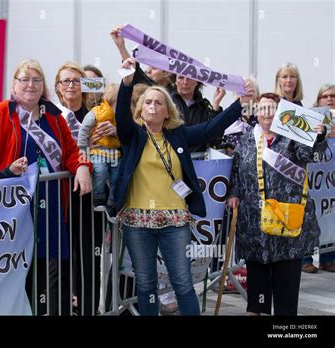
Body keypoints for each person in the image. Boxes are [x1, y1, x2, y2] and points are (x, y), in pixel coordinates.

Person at [115, 58, 252, 316]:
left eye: (159, 102)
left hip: (175, 222)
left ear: (168, 111)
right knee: (146, 285)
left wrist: (240, 104)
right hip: (137, 222)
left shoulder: (179, 135)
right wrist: (126, 82)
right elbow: (120, 114)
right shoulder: (132, 136)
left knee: (183, 283)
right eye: (148, 102)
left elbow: (213, 126)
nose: (153, 106)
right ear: (140, 110)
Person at [0, 59, 92, 315]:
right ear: (14, 85)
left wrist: (82, 166)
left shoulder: (53, 117)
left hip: (51, 209)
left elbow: (72, 152)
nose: (30, 85)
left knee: (52, 276)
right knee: (15, 274)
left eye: (36, 80)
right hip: (12, 213)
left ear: (44, 86)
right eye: (24, 79)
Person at [228, 93, 327, 315]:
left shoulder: (292, 138)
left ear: (281, 113)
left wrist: (318, 137)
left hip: (287, 223)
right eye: (262, 108)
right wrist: (233, 194)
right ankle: (257, 308)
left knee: (286, 287)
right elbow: (235, 171)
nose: (267, 113)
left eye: (272, 108)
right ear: (256, 113)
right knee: (257, 290)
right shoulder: (246, 140)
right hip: (255, 224)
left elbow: (309, 153)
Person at [54, 61, 106, 315]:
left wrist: (103, 140)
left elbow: (113, 149)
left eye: (77, 81)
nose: (71, 85)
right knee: (60, 255)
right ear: (57, 87)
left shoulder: (95, 115)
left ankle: (88, 308)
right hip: (58, 194)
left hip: (87, 195)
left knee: (88, 256)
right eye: (66, 81)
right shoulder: (51, 116)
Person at [301, 83, 335, 273]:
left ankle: (328, 258)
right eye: (325, 96)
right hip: (313, 181)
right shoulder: (312, 118)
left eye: (333, 96)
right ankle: (306, 258)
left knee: (330, 215)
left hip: (330, 182)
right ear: (319, 100)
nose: (330, 99)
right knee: (310, 216)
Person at [77, 83, 120, 210]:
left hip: (115, 153)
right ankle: (99, 198)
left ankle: (113, 203)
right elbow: (84, 130)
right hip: (98, 151)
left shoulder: (123, 117)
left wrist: (117, 131)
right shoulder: (95, 112)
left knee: (116, 177)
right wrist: (83, 148)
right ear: (110, 100)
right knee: (100, 171)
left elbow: (128, 136)